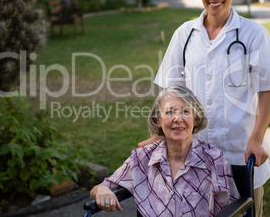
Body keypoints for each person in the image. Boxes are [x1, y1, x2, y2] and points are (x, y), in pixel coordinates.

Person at [139, 0, 270, 217]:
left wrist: (256, 138)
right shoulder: (184, 35)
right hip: (193, 156)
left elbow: (267, 92)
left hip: (240, 154)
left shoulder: (254, 35)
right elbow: (171, 96)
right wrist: (158, 137)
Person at [90, 85, 240, 216]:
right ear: (158, 120)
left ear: (196, 119)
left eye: (185, 111)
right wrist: (102, 190)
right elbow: (100, 188)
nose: (178, 118)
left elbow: (234, 211)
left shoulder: (215, 160)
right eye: (169, 112)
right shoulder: (141, 158)